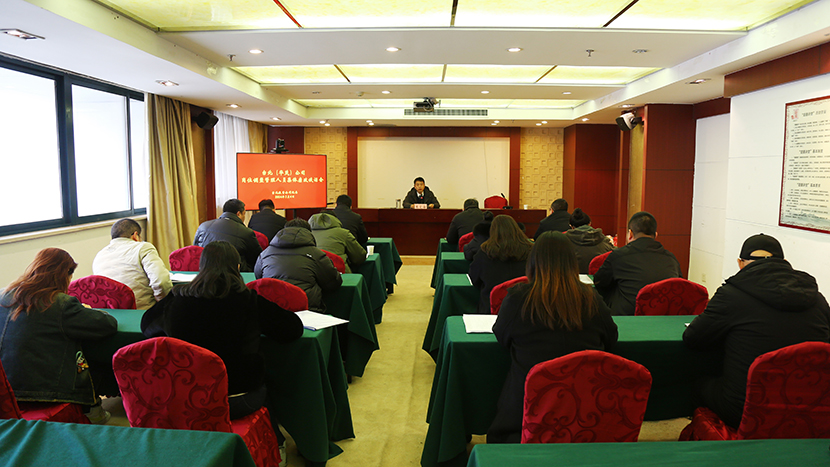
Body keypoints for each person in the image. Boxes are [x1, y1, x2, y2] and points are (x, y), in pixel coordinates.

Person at [141, 241, 303, 420]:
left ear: (201, 267)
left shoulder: (178, 298)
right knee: (272, 385)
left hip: (187, 395)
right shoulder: (248, 300)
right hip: (238, 397)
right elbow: (293, 329)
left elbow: (146, 326)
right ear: (238, 267)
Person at [683, 234, 830, 429]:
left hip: (746, 409)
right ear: (785, 262)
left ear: (740, 264)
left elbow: (693, 338)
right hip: (811, 404)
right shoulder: (817, 298)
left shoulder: (731, 294)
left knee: (698, 385)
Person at [487, 232, 618, 443]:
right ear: (572, 263)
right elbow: (611, 338)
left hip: (526, 413)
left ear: (532, 263)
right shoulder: (591, 298)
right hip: (585, 411)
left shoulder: (518, 298)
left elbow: (502, 337)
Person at [0, 248, 118, 424]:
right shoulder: (62, 303)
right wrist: (87, 310)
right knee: (88, 360)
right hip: (48, 391)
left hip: (7, 389)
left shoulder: (3, 296)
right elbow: (107, 325)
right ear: (65, 274)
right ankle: (92, 409)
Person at [593, 211, 681, 316]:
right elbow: (679, 286)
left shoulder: (618, 256)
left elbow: (599, 282)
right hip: (664, 317)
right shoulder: (671, 259)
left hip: (626, 318)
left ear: (630, 234)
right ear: (655, 235)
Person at [255, 218, 342, 312]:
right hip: (306, 311)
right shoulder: (316, 254)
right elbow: (333, 282)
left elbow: (259, 277)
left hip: (271, 311)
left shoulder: (265, 253)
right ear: (309, 233)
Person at [92, 218, 173, 309]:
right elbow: (161, 281)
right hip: (142, 311)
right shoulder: (143, 247)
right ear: (135, 235)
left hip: (112, 313)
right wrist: (163, 303)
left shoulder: (99, 255)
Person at [469, 215, 533, 315]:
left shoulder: (485, 252)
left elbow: (474, 279)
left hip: (490, 310)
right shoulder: (531, 250)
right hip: (525, 308)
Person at [194, 199, 262, 272]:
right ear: (238, 214)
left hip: (205, 272)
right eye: (244, 214)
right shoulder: (246, 232)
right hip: (235, 274)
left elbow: (195, 250)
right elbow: (258, 258)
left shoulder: (203, 226)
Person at [564, 208, 615, 274]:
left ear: (571, 226)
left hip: (571, 279)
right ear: (589, 223)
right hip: (598, 279)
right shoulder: (605, 242)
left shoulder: (563, 242)